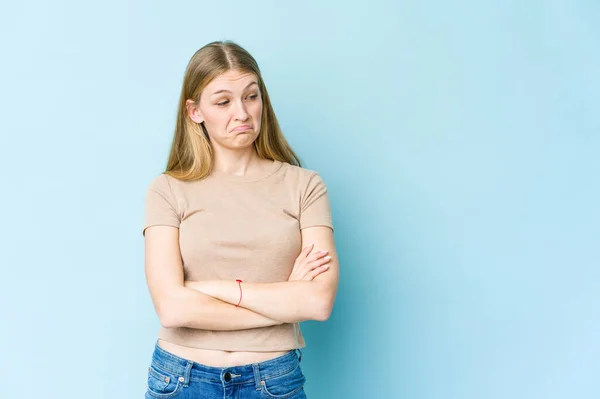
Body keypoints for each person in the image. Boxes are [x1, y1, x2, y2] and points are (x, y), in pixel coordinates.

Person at [142, 40, 339, 399]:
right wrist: (282, 303)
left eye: (251, 96)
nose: (243, 113)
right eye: (223, 102)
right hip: (181, 380)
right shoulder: (167, 190)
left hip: (273, 379)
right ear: (194, 111)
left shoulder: (305, 185)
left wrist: (212, 289)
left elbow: (318, 302)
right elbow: (171, 308)